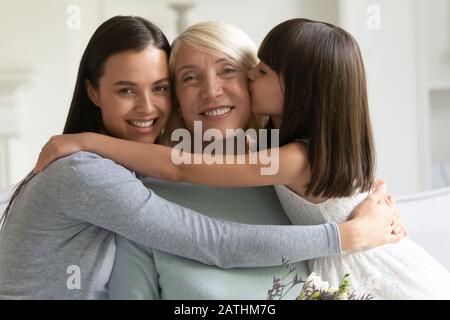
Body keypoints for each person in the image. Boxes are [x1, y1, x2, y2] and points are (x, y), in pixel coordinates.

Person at [33, 20, 405, 299]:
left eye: (228, 70)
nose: (211, 91)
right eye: (189, 78)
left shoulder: (289, 174)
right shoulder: (141, 196)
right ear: (176, 97)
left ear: (255, 80)